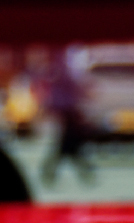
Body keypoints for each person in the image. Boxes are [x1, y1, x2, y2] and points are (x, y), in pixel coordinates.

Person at [41, 48, 93, 185]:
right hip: (67, 110)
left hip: (67, 110)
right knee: (68, 146)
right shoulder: (63, 69)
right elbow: (70, 87)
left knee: (67, 146)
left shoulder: (58, 69)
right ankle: (84, 172)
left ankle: (51, 173)